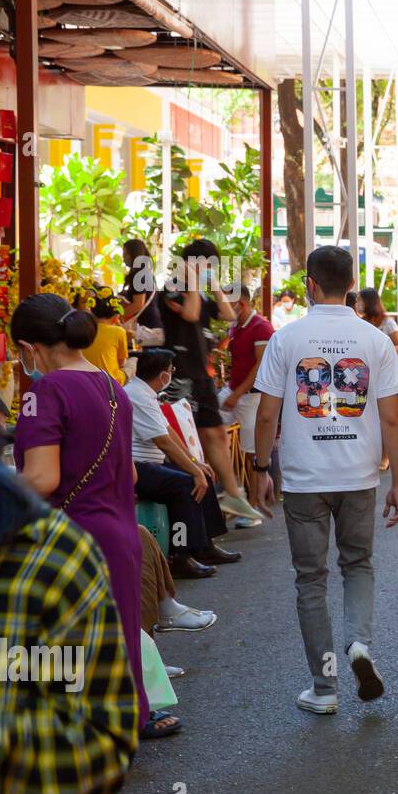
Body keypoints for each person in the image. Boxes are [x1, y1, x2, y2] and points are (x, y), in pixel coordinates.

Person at [0, 334, 138, 794]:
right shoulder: (112, 386)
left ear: (29, 346)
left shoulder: (46, 391)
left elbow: (43, 476)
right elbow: (99, 741)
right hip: (107, 530)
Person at [249, 247, 398, 714]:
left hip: (304, 478)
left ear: (310, 285)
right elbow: (393, 419)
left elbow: (266, 413)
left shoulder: (287, 337)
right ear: (350, 284)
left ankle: (324, 687)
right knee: (357, 564)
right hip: (358, 475)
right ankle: (359, 645)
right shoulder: (375, 339)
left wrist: (260, 470)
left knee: (310, 579)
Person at [159, 238, 260, 522]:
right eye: (206, 266)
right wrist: (192, 279)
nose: (209, 271)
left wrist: (213, 285)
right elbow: (189, 315)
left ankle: (233, 495)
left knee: (214, 434)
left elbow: (229, 314)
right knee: (185, 439)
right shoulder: (172, 289)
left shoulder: (202, 293)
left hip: (200, 375)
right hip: (178, 376)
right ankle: (195, 503)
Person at [127, 347, 242, 580]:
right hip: (136, 467)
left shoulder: (145, 392)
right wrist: (193, 471)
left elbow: (167, 432)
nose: (172, 374)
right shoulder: (137, 395)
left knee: (203, 474)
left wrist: (195, 463)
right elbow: (163, 442)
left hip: (150, 463)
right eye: (171, 370)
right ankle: (180, 555)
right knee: (184, 484)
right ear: (162, 375)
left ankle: (204, 546)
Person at [218, 282, 275, 514]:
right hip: (233, 390)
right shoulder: (237, 325)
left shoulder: (261, 327)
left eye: (226, 304)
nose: (222, 309)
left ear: (239, 304)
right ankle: (237, 491)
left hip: (252, 397)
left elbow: (261, 366)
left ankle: (253, 506)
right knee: (209, 430)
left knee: (254, 452)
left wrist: (237, 393)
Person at [82, 291, 129, 385]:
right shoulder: (119, 331)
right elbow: (121, 363)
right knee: (132, 362)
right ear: (116, 316)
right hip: (110, 383)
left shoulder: (83, 328)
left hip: (83, 379)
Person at [120, 239, 162, 340]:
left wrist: (119, 317)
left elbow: (138, 304)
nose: (123, 258)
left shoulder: (139, 276)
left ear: (134, 254)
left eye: (126, 254)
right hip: (150, 324)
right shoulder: (145, 273)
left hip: (145, 326)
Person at [358, 287, 398, 356]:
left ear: (368, 301)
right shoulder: (360, 322)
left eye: (359, 300)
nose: (357, 304)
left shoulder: (388, 323)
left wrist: (380, 350)